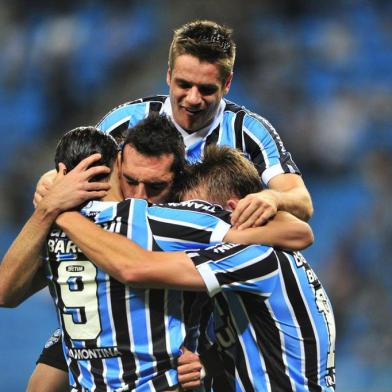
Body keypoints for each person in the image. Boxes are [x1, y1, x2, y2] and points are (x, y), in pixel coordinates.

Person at [0, 126, 313, 390]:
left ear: (176, 183)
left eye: (154, 186)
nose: (138, 195)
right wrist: (51, 210)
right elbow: (6, 292)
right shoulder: (154, 221)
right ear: (116, 167)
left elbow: (296, 233)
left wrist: (54, 210)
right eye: (131, 181)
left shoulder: (162, 218)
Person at [96, 19, 313, 229]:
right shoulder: (124, 122)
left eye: (206, 89)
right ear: (169, 75)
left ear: (227, 83)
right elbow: (69, 175)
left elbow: (301, 201)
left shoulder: (248, 132)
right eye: (184, 84)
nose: (193, 98)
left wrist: (273, 197)